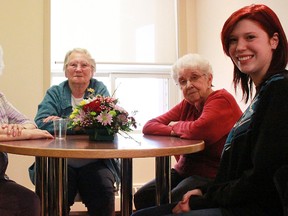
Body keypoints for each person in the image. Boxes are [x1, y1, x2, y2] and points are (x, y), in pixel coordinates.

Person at [131, 4, 288, 216]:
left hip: (253, 207)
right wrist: (206, 192)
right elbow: (150, 125)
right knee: (144, 202)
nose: (240, 47)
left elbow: (261, 177)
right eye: (233, 40)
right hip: (227, 192)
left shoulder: (279, 89)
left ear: (274, 41)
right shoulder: (263, 93)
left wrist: (203, 199)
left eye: (250, 37)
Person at [133, 53, 242, 210]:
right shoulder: (188, 104)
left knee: (175, 198)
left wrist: (177, 126)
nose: (189, 85)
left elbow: (200, 130)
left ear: (209, 79)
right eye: (182, 82)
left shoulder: (221, 100)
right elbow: (149, 126)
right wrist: (175, 130)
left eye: (194, 77)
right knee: (144, 196)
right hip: (184, 169)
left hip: (212, 174)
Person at [30, 48, 120, 216]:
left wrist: (62, 122)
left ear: (92, 71)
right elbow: (41, 124)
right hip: (60, 162)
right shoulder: (55, 92)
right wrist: (85, 123)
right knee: (53, 194)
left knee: (104, 190)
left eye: (84, 65)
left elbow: (106, 125)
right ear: (65, 71)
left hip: (95, 162)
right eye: (73, 64)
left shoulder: (100, 90)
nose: (78, 69)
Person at [0, 45, 54, 216]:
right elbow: (32, 130)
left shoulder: (0, 98)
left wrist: (20, 127)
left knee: (30, 201)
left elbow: (29, 121)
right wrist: (26, 133)